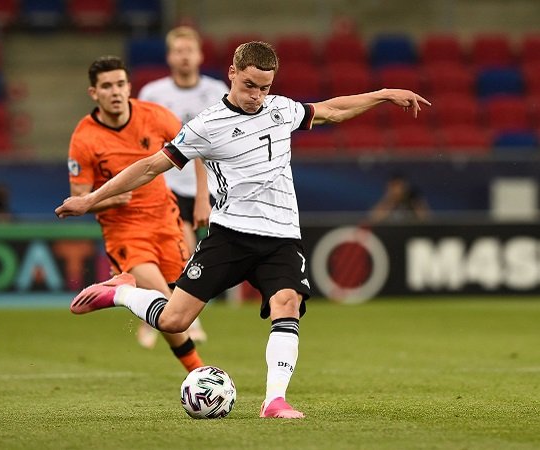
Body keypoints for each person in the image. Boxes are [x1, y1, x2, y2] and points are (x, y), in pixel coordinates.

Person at [56, 41, 431, 418]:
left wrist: (383, 94)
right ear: (233, 74)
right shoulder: (206, 126)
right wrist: (89, 200)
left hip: (282, 237)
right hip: (231, 236)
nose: (257, 96)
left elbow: (332, 110)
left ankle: (274, 400)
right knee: (174, 320)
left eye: (264, 87)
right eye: (250, 85)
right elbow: (150, 167)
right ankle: (122, 293)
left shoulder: (282, 109)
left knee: (289, 304)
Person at [64, 55, 207, 373]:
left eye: (120, 84)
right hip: (126, 232)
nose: (114, 92)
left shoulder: (155, 117)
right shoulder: (84, 138)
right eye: (106, 86)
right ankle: (199, 373)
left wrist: (202, 199)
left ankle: (127, 294)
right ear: (94, 93)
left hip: (165, 221)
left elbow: (195, 148)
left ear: (129, 86)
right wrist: (110, 200)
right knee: (165, 303)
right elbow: (81, 199)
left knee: (178, 310)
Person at [135, 26, 229, 349]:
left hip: (209, 184)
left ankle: (158, 316)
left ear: (200, 55)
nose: (185, 56)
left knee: (186, 252)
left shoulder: (217, 91)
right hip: (168, 184)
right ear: (169, 56)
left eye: (190, 50)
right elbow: (143, 141)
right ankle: (184, 317)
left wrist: (205, 193)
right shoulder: (152, 93)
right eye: (178, 51)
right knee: (180, 247)